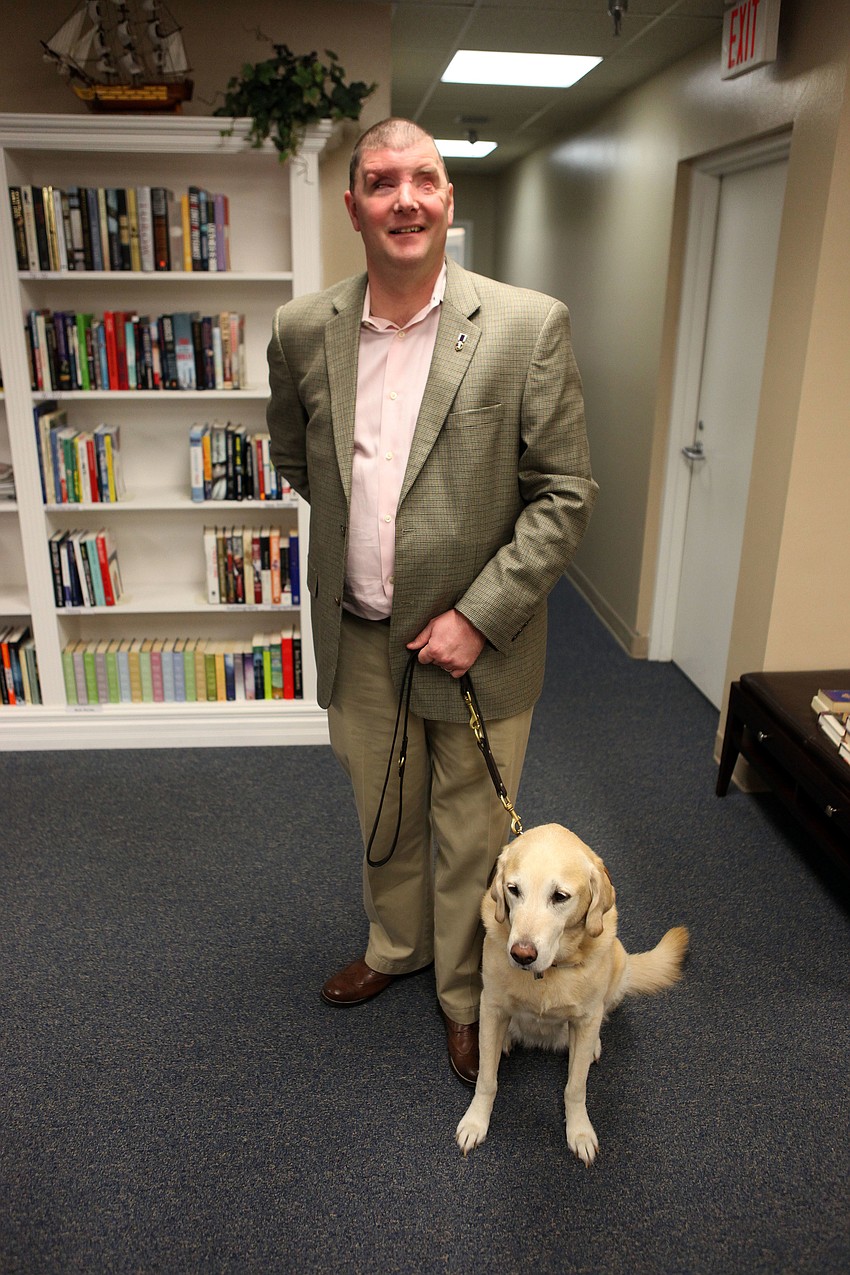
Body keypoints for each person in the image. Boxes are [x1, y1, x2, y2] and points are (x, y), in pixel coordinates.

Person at [266, 118, 597, 1084]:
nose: (403, 199)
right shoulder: (301, 330)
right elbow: (298, 455)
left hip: (481, 644)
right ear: (354, 205)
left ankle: (464, 993)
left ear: (448, 200)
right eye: (381, 182)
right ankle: (393, 947)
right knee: (385, 812)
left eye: (424, 180)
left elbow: (564, 493)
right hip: (362, 635)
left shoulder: (529, 325)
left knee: (473, 832)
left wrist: (476, 613)